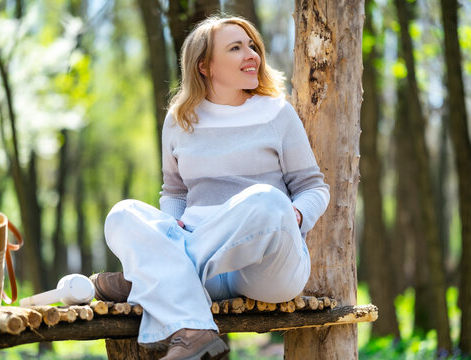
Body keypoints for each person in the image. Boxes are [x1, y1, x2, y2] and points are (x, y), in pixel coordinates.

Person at [91, 15, 330, 360]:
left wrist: (292, 214)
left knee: (266, 200)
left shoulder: (277, 113)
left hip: (268, 268)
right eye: (236, 48)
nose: (252, 55)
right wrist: (172, 225)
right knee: (122, 213)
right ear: (204, 65)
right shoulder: (179, 119)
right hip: (209, 274)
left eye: (252, 46)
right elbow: (173, 193)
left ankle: (154, 274)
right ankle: (193, 332)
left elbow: (314, 188)